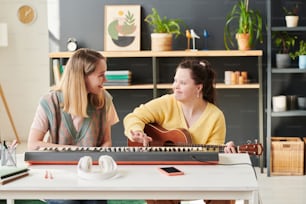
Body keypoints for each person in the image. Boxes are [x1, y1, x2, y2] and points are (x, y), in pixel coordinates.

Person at [123, 58, 236, 204]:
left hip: (200, 174)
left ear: (198, 88)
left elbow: (212, 158)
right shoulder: (167, 102)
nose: (175, 86)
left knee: (224, 195)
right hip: (164, 172)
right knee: (155, 192)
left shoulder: (215, 116)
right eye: (175, 80)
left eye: (182, 83)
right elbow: (134, 116)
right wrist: (137, 131)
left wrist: (224, 151)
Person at [28, 48, 119, 204]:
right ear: (82, 77)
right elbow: (33, 144)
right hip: (59, 174)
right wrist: (79, 152)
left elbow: (107, 141)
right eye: (101, 75)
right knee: (66, 201)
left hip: (92, 172)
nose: (105, 80)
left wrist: (94, 164)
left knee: (96, 201)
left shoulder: (104, 100)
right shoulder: (49, 102)